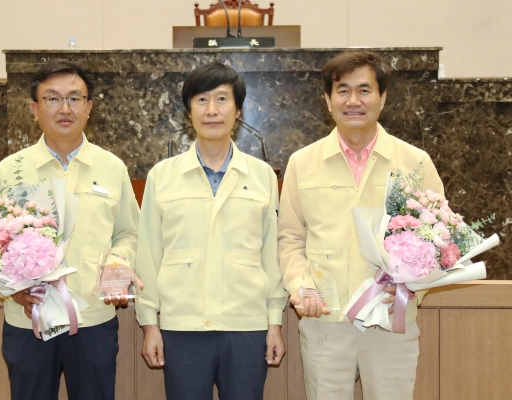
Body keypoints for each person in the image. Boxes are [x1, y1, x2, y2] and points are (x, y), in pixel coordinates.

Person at [278, 51, 444, 400]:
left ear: (382, 98)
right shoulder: (302, 164)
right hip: (326, 319)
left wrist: (416, 286)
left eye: (364, 90)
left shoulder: (414, 163)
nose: (353, 101)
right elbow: (290, 239)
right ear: (328, 99)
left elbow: (441, 241)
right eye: (343, 90)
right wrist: (300, 285)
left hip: (390, 319)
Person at [0, 59, 140, 400]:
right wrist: (9, 290)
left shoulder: (111, 167)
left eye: (75, 98)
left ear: (89, 107)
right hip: (29, 319)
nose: (65, 107)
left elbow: (129, 233)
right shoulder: (11, 169)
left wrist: (119, 265)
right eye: (52, 98)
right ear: (35, 108)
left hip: (93, 319)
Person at [135, 62, 287, 400]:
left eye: (222, 99)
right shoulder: (162, 175)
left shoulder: (262, 176)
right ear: (189, 111)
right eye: (202, 100)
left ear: (238, 110)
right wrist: (150, 324)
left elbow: (270, 253)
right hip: (182, 327)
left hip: (246, 327)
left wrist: (274, 321)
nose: (212, 110)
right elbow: (148, 251)